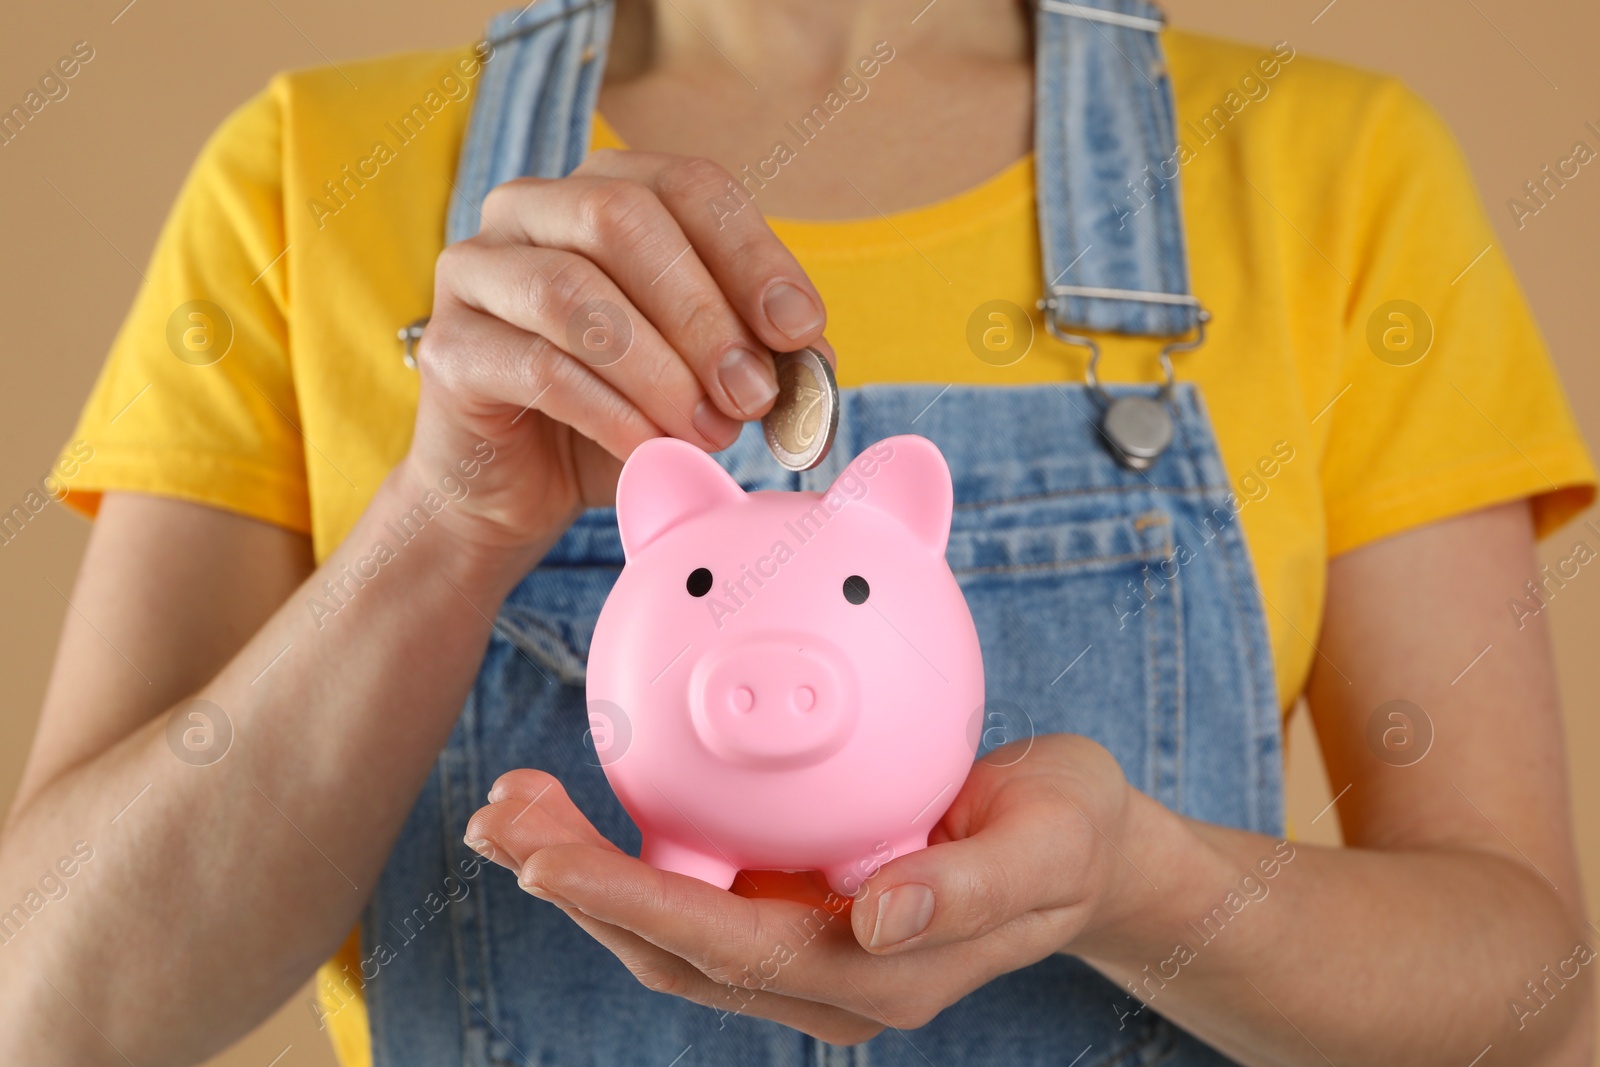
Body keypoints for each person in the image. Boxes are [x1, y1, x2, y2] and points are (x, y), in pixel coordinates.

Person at [2, 0, 1595, 1063]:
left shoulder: (1333, 170)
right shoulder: (302, 173)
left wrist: (1139, 885)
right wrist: (446, 519)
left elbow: (1522, 992)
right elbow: (54, 1005)